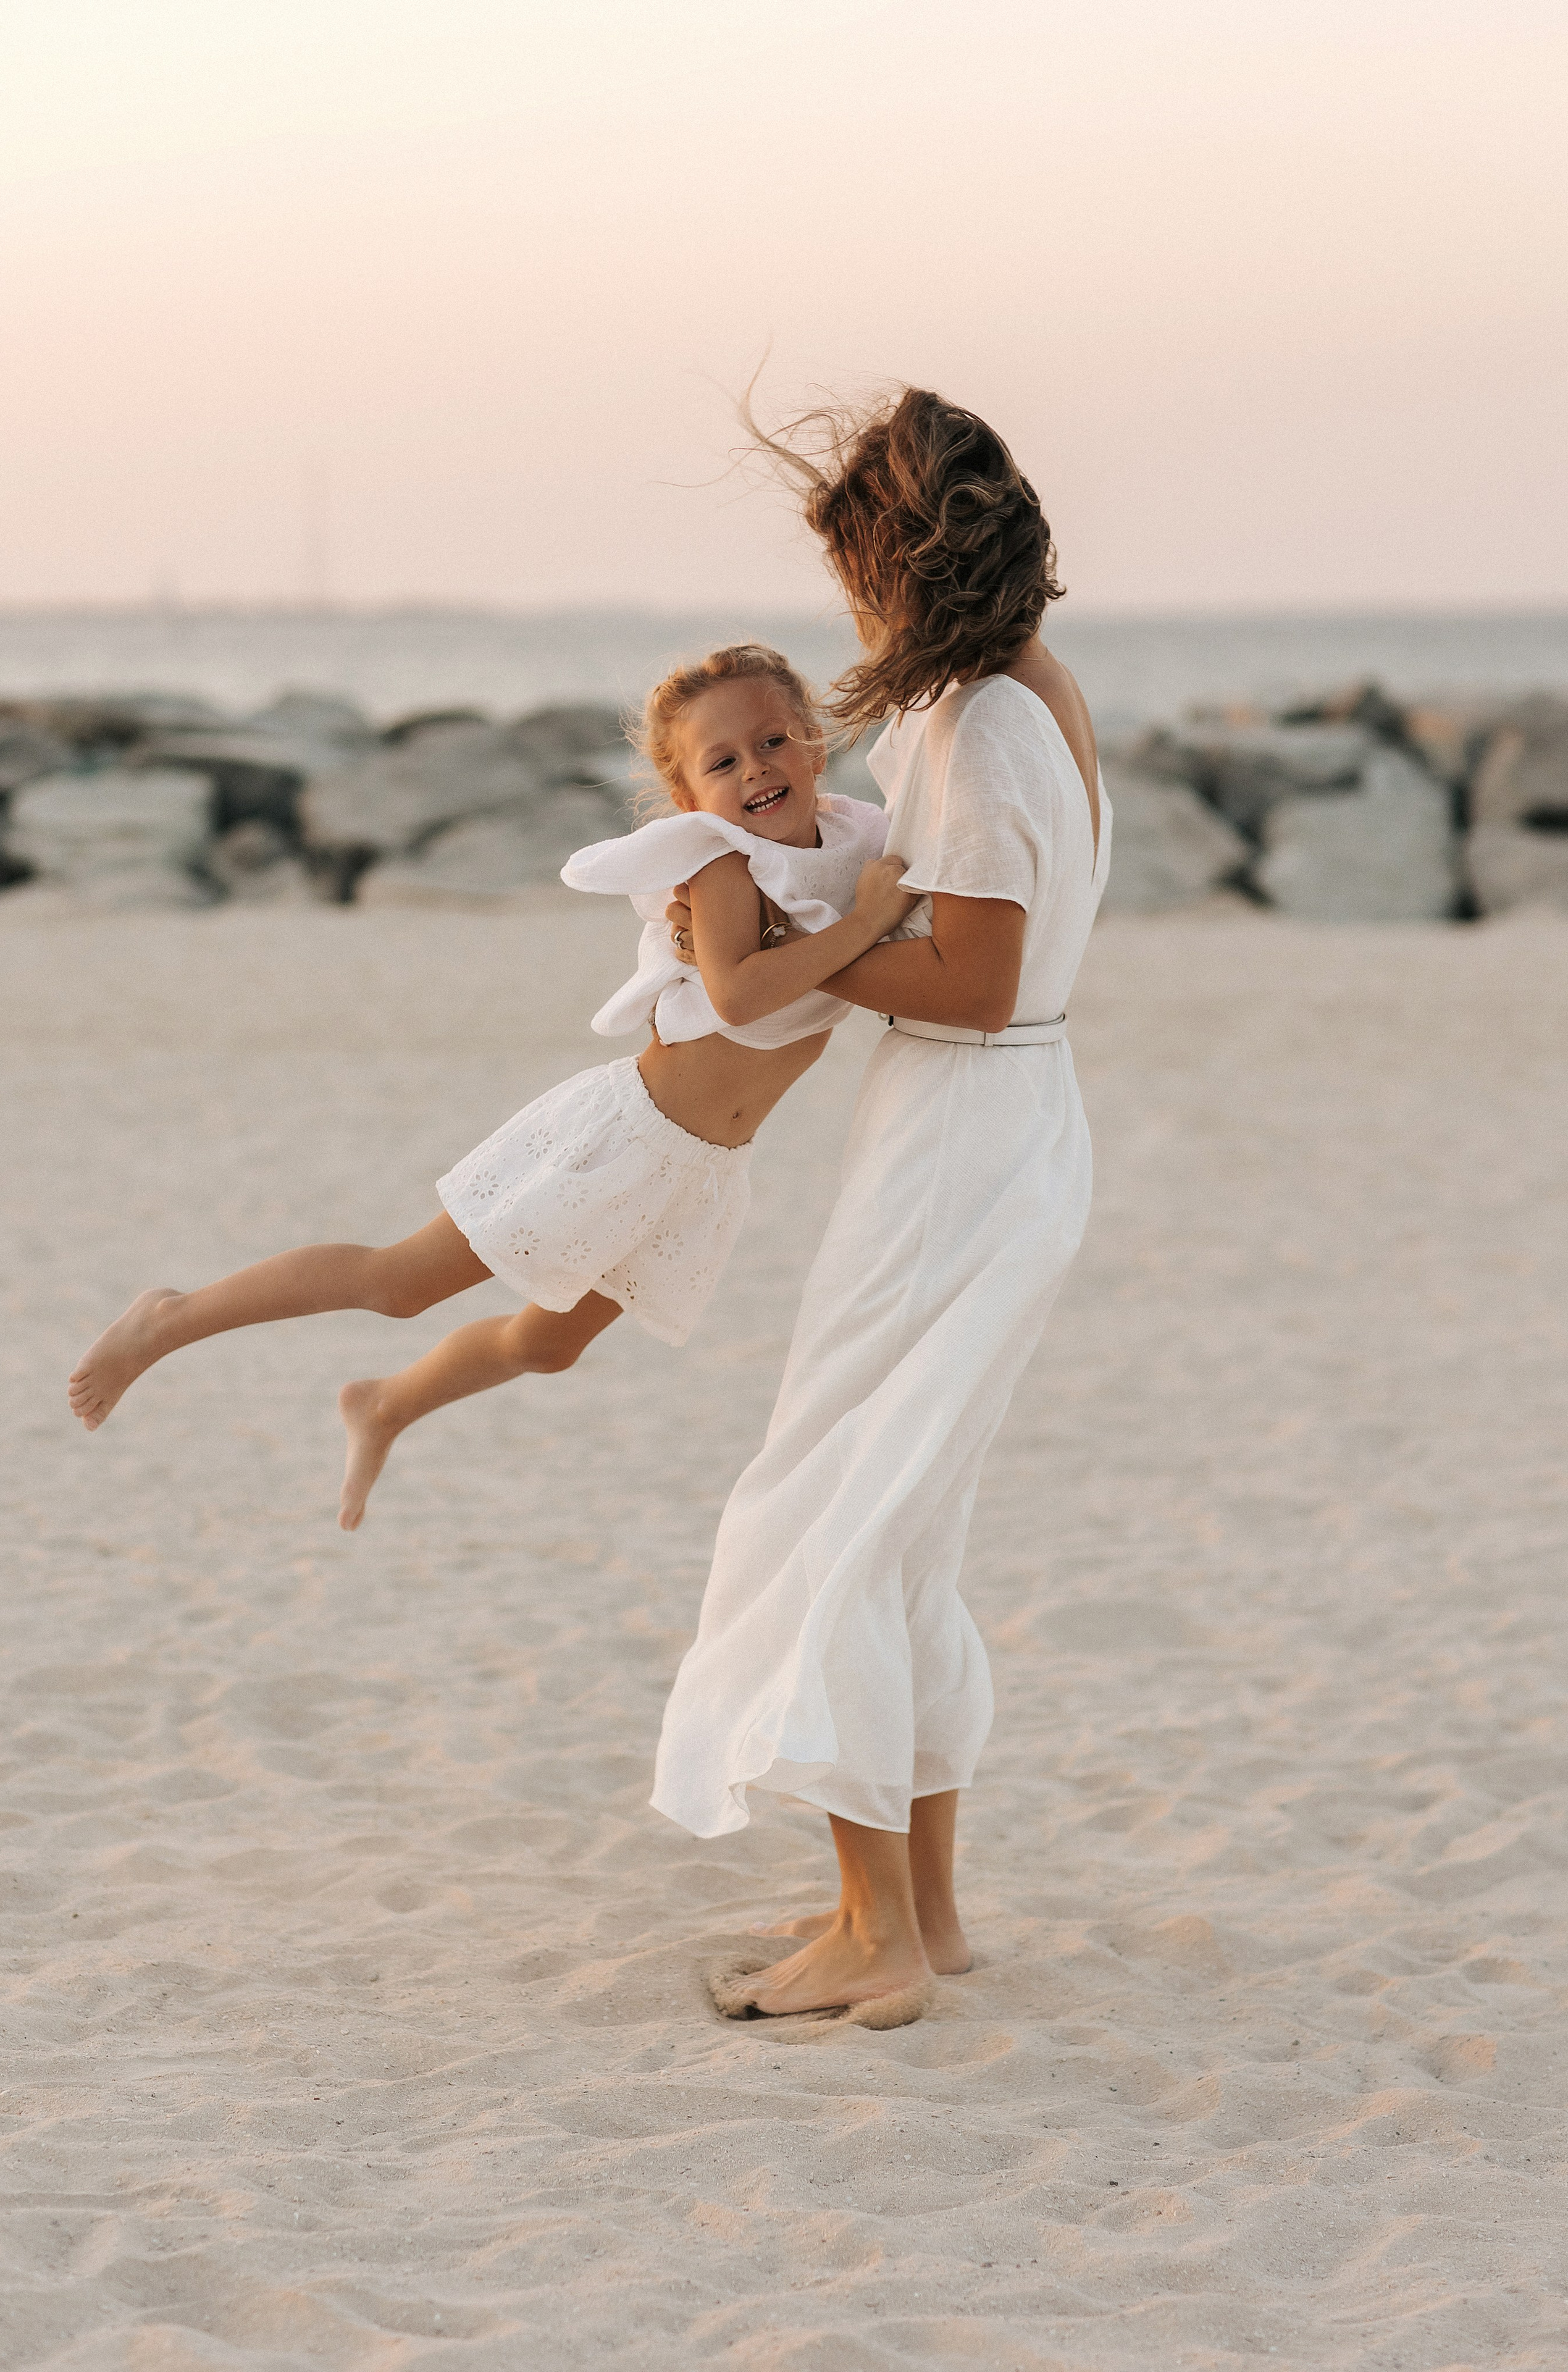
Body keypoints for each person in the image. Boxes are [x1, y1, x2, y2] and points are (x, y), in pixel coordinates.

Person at [651, 392, 1113, 2027]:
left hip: (963, 1135)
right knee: (903, 1529)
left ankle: (878, 1941)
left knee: (826, 1513)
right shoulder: (1027, 692)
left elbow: (976, 981)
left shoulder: (979, 725)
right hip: (1001, 1129)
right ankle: (926, 1915)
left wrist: (810, 956)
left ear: (895, 561)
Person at [67, 644, 915, 1529]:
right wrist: (865, 924)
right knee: (400, 1284)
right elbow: (739, 995)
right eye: (724, 762)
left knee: (545, 1348)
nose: (757, 770)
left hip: (701, 1173)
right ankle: (168, 1318)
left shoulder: (859, 839)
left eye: (774, 741)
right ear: (689, 800)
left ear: (818, 746)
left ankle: (385, 1405)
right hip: (626, 1141)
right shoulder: (721, 865)